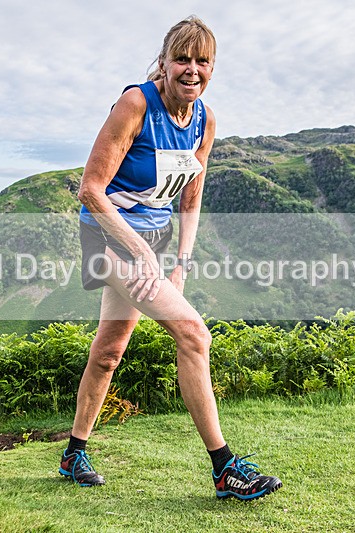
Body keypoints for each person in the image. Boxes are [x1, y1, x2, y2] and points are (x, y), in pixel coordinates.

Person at [60, 15, 283, 501]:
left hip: (154, 243)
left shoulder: (204, 119)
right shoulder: (136, 103)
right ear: (163, 62)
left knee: (109, 352)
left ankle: (73, 452)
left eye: (203, 61)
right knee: (193, 332)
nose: (192, 69)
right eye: (182, 58)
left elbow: (190, 196)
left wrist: (180, 262)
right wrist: (141, 254)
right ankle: (225, 469)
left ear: (212, 68)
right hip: (107, 238)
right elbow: (91, 190)